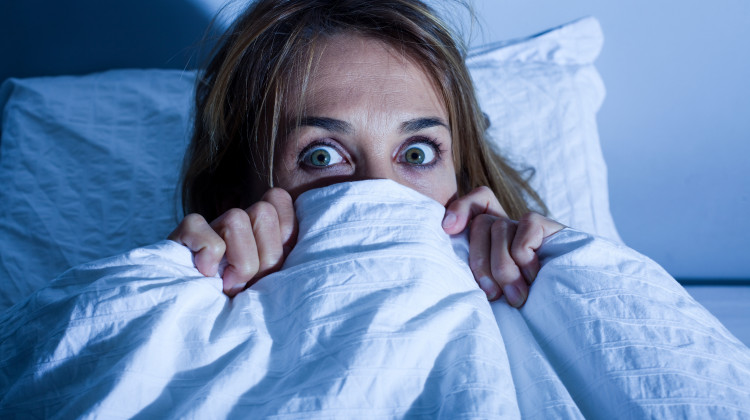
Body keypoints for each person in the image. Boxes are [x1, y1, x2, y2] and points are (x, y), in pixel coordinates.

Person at [168, 0, 565, 307]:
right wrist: (173, 284)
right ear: (236, 198)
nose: (381, 190)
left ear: (462, 182)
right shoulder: (187, 321)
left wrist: (565, 273)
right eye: (321, 156)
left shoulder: (541, 289)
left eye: (417, 154)